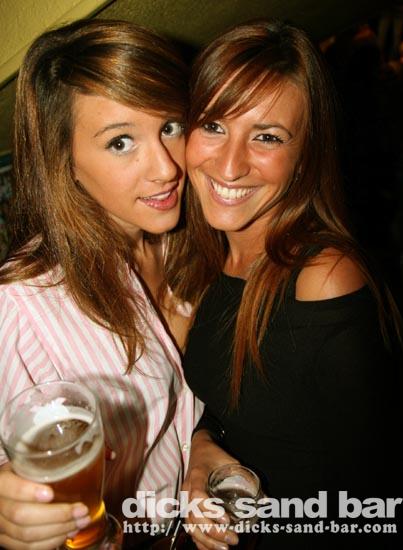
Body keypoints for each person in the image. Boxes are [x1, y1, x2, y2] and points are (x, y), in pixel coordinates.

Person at [165, 19, 403, 549]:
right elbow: (237, 409)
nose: (230, 165)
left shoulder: (323, 278)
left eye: (267, 137)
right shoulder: (208, 254)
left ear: (304, 158)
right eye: (214, 126)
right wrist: (204, 448)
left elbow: (374, 501)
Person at [0, 19, 202, 549]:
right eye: (120, 142)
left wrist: (206, 451)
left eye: (171, 126)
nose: (166, 167)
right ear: (63, 161)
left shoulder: (187, 241)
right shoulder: (23, 305)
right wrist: (12, 514)